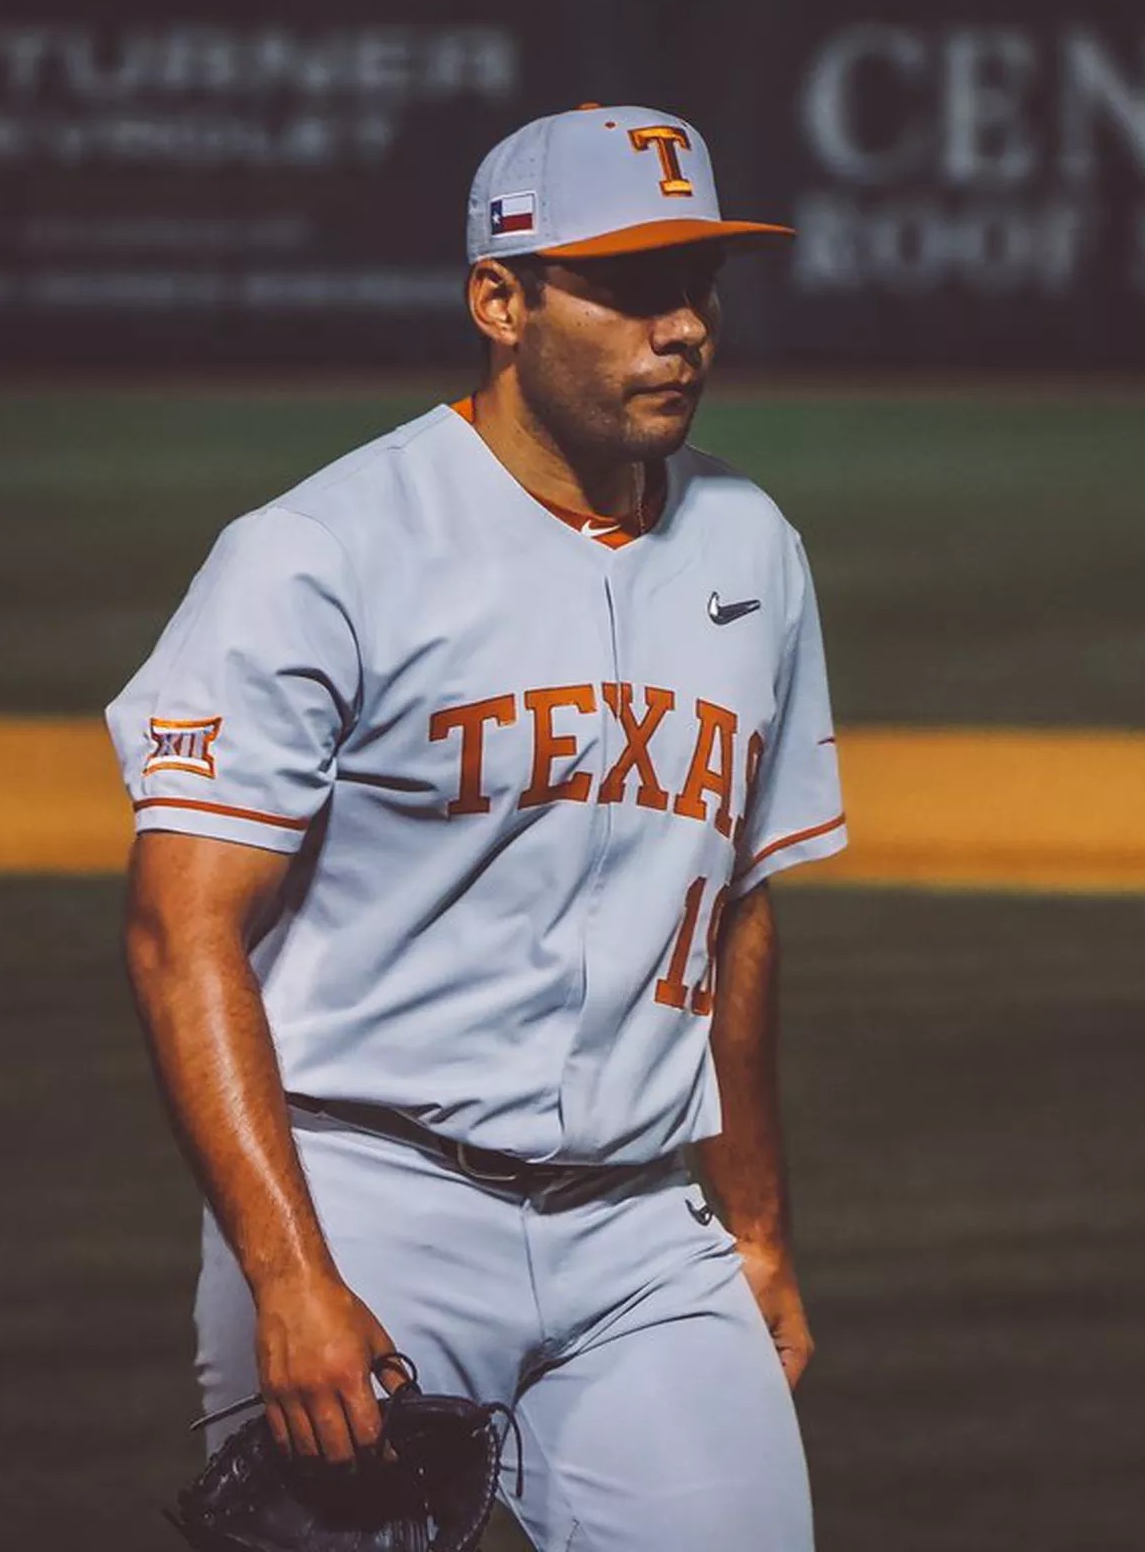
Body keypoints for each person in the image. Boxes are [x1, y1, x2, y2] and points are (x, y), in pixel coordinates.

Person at [107, 103, 847, 1552]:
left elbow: (738, 906)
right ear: (500, 302)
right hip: (369, 1203)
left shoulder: (754, 544)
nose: (683, 329)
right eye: (630, 289)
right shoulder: (323, 552)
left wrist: (757, 1229)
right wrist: (288, 1272)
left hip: (646, 1234)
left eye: (697, 284)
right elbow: (178, 928)